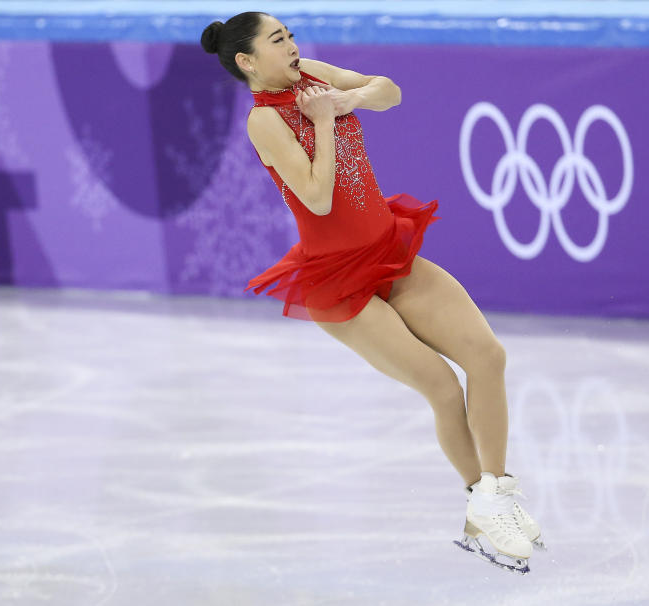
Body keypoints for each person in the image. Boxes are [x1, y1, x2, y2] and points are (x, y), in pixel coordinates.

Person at [201, 11, 543, 573]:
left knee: (487, 356)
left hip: (390, 251)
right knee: (440, 383)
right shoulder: (264, 123)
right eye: (277, 40)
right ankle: (479, 499)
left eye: (289, 34)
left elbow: (389, 92)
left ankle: (497, 494)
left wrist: (345, 100)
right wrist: (326, 122)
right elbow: (315, 197)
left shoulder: (310, 75)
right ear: (246, 61)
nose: (292, 45)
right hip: (339, 283)